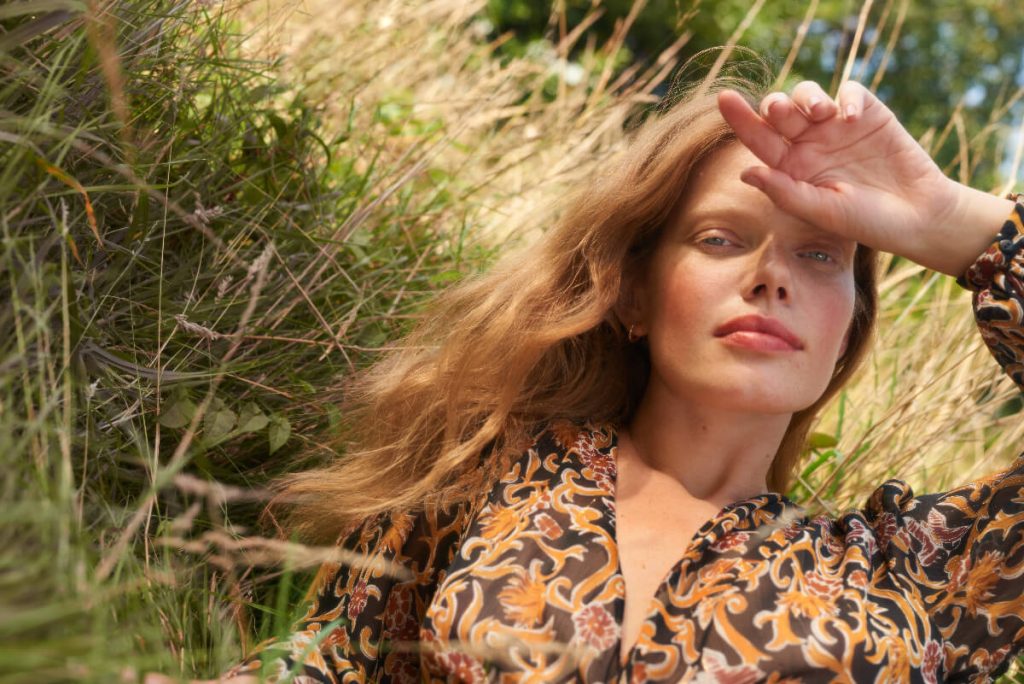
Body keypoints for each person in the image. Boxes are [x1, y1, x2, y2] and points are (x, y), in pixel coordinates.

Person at [177, 74, 1024, 682]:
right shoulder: (488, 473)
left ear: (847, 334)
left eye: (819, 255)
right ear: (634, 296)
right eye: (721, 239)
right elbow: (330, 656)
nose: (773, 278)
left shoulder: (913, 577)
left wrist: (951, 223)